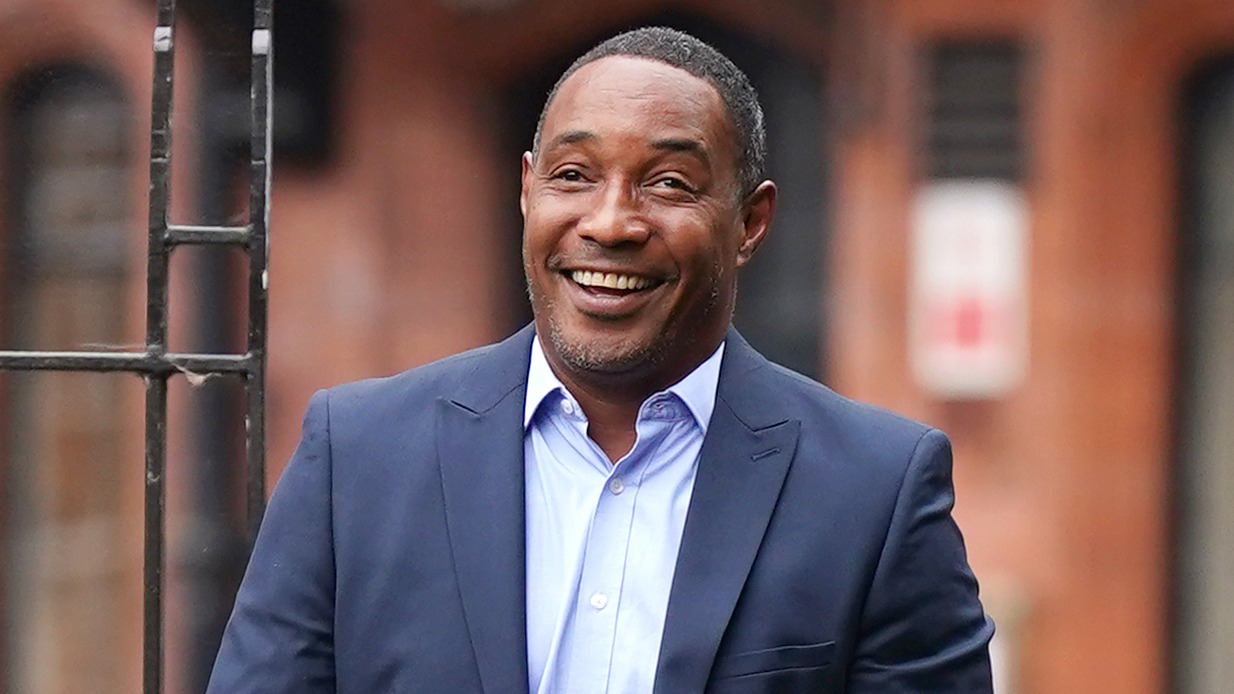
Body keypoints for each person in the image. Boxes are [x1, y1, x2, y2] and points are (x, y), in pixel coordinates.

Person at [208, 26, 994, 694]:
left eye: (669, 183)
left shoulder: (875, 492)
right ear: (528, 191)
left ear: (750, 222)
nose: (610, 223)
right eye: (574, 176)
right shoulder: (359, 458)